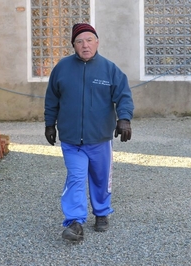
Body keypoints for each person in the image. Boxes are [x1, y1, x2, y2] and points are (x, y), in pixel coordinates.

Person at [44, 23, 134, 242]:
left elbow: (123, 95)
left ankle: (102, 213)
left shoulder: (109, 69)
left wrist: (124, 118)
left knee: (101, 179)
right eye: (80, 41)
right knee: (75, 178)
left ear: (97, 42)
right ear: (73, 45)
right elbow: (52, 98)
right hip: (72, 139)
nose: (85, 45)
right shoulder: (62, 68)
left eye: (89, 40)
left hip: (100, 139)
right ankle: (75, 222)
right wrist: (49, 124)